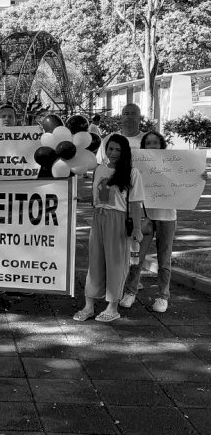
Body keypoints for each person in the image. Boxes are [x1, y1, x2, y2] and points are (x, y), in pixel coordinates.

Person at [119, 131, 207, 313]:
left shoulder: (173, 163)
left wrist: (200, 177)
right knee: (136, 257)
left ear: (162, 145)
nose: (152, 146)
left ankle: (162, 296)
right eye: (148, 143)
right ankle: (130, 292)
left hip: (168, 218)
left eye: (155, 142)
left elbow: (188, 177)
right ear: (144, 146)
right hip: (145, 217)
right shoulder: (138, 165)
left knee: (164, 259)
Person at [74, 134, 144, 323]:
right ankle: (88, 306)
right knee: (95, 261)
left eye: (118, 150)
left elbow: (136, 203)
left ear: (124, 152)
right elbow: (98, 196)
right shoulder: (99, 170)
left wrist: (137, 228)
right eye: (110, 149)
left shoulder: (132, 173)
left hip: (118, 220)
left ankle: (112, 307)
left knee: (116, 263)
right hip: (98, 218)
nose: (113, 153)